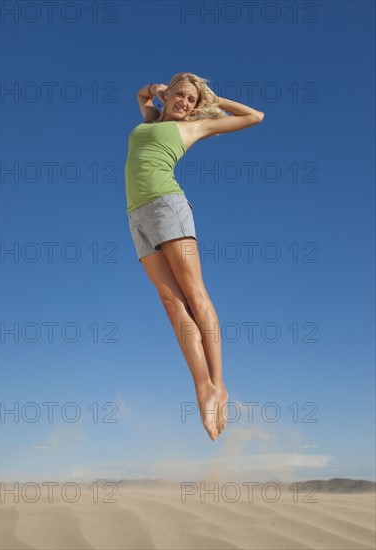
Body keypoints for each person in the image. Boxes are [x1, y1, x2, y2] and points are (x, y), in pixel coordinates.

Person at [125, 72, 264, 441]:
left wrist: (212, 102)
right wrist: (156, 90)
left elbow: (255, 117)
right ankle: (201, 385)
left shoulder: (195, 127)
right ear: (168, 94)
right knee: (171, 303)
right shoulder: (151, 120)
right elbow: (141, 93)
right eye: (179, 95)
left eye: (190, 99)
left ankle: (217, 384)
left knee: (194, 292)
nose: (184, 102)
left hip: (167, 206)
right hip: (135, 215)